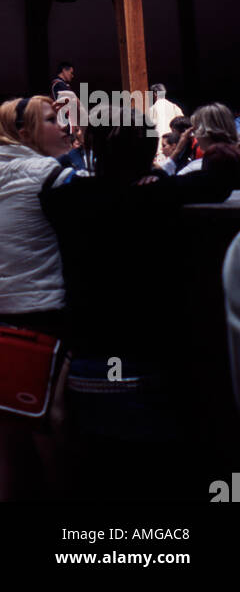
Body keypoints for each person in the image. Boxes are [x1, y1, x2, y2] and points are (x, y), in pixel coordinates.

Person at [42, 111, 240, 502]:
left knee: (97, 480)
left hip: (86, 365)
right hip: (147, 366)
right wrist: (165, 173)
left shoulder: (68, 200)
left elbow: (54, 188)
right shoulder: (155, 196)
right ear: (148, 150)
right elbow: (219, 176)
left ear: (96, 148)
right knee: (154, 480)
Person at [0, 95, 73, 502]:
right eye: (52, 120)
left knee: (9, 466)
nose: (64, 127)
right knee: (54, 456)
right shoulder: (50, 174)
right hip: (43, 318)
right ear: (24, 132)